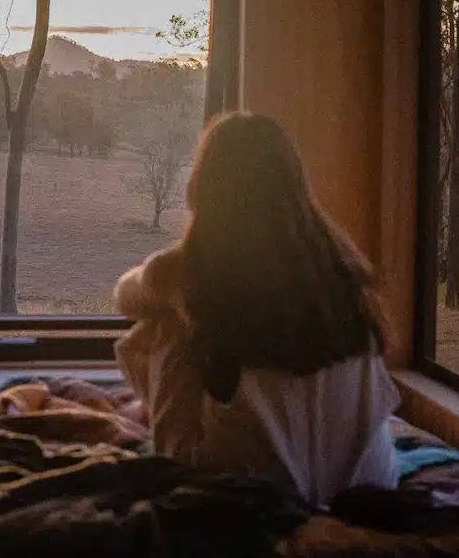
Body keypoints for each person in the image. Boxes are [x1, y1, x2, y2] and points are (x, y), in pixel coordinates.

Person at [112, 112, 400, 508]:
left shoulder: (191, 270)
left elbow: (124, 298)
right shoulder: (338, 266)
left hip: (253, 493)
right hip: (366, 480)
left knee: (163, 323)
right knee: (186, 313)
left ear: (205, 186)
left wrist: (166, 284)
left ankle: (171, 442)